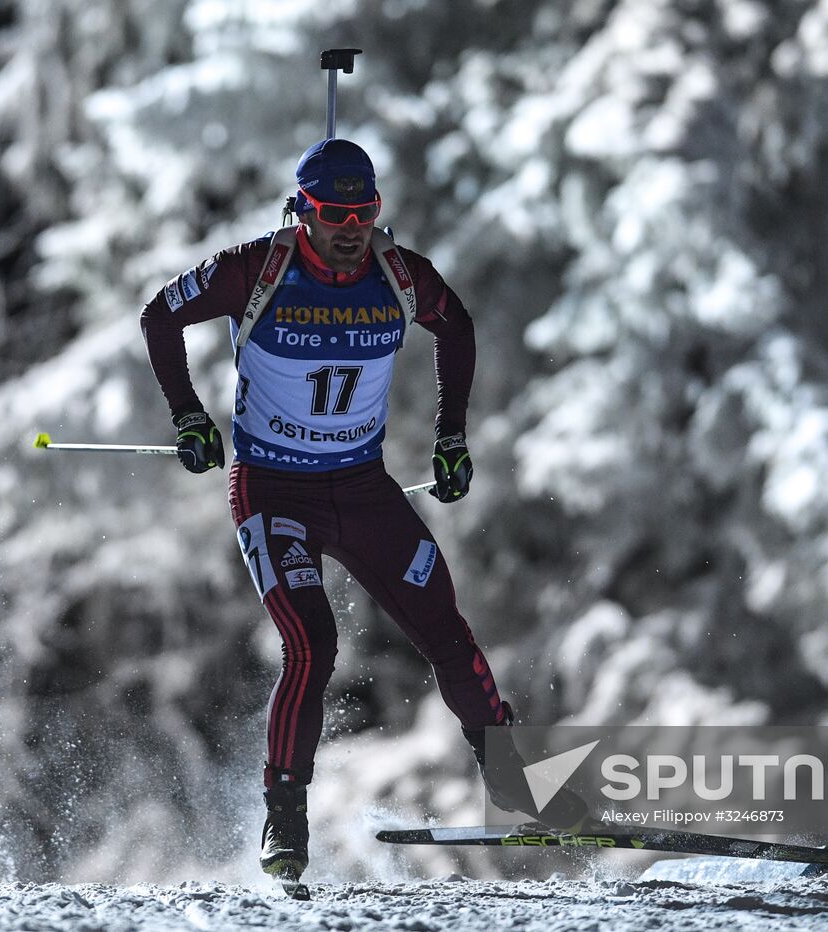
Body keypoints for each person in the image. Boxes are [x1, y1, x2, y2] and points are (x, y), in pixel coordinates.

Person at [140, 138, 561, 884]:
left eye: (364, 212)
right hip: (273, 493)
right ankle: (286, 816)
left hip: (363, 491)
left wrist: (451, 436)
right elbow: (159, 316)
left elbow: (455, 326)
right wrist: (188, 418)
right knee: (313, 641)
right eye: (334, 213)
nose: (350, 228)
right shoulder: (257, 268)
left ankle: (515, 785)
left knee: (447, 631)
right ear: (303, 210)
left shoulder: (398, 275)